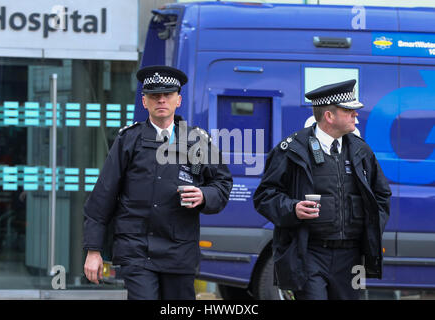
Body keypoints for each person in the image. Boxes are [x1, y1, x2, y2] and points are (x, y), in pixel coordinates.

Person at [83, 65, 233, 300]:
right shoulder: (128, 140)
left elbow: (222, 184)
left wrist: (204, 195)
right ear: (145, 102)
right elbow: (102, 197)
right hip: (137, 250)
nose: (161, 100)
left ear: (178, 100)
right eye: (154, 96)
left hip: (179, 250)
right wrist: (93, 250)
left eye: (167, 95)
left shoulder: (197, 141)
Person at [253, 79, 391, 300]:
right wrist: (293, 208)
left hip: (352, 257)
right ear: (329, 116)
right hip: (308, 253)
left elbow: (382, 194)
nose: (356, 115)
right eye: (349, 110)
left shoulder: (361, 151)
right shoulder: (291, 150)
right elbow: (264, 196)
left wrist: (372, 227)